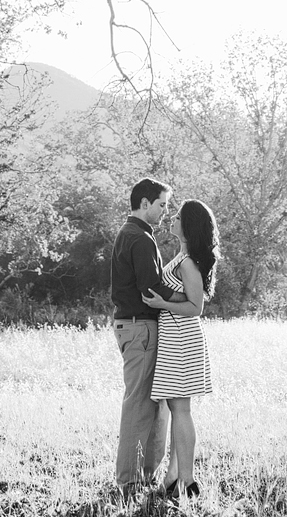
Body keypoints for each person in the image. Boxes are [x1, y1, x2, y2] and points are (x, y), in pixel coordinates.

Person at [143, 198, 220, 502]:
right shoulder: (182, 256)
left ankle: (187, 480)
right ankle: (173, 477)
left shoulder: (188, 263)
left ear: (188, 225)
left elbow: (196, 307)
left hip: (183, 338)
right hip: (174, 337)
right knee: (177, 409)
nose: (171, 219)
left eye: (177, 216)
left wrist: (162, 304)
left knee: (181, 409)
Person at [110, 177, 172, 491]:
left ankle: (144, 476)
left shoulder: (131, 233)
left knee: (153, 403)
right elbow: (152, 289)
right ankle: (130, 480)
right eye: (161, 204)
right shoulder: (139, 238)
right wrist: (190, 299)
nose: (165, 211)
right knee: (138, 405)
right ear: (145, 203)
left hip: (135, 326)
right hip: (139, 327)